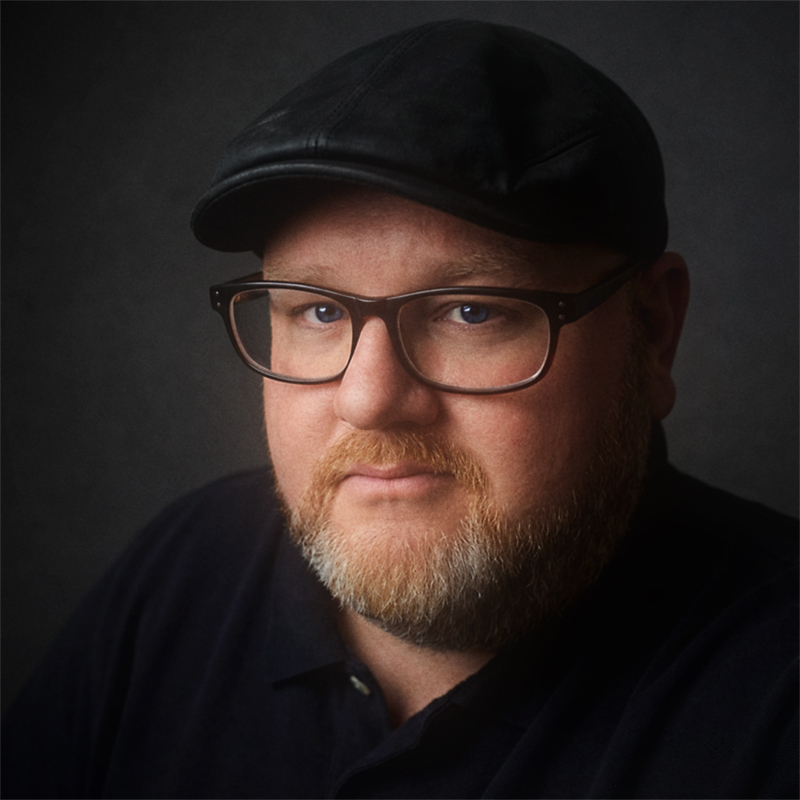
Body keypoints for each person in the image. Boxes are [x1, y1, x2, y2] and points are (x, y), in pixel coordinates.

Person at [3, 19, 797, 799]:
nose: (369, 400)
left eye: (471, 312)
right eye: (317, 311)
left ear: (653, 332)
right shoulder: (183, 574)